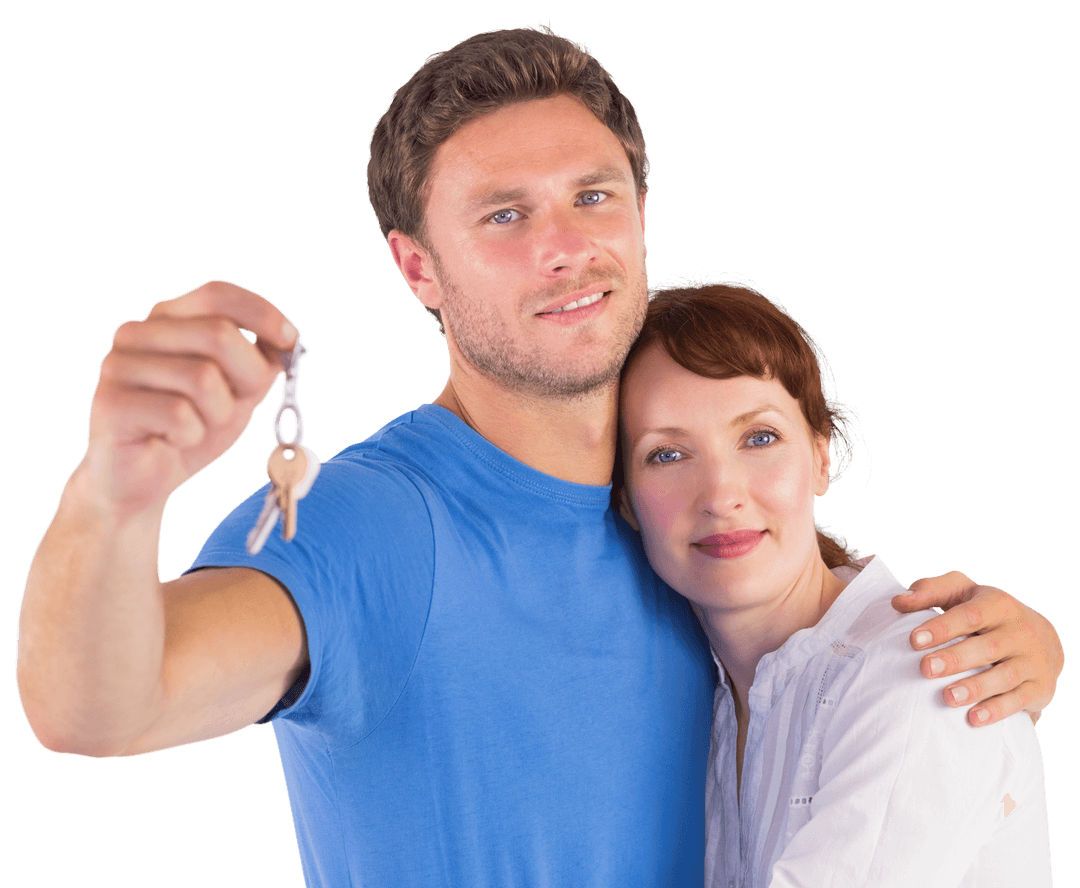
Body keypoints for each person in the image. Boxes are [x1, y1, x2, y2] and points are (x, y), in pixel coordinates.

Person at [16, 24, 1062, 888]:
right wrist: (115, 490)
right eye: (505, 214)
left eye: (592, 196)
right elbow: (96, 707)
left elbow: (818, 645)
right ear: (418, 269)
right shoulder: (370, 524)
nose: (565, 246)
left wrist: (1006, 651)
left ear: (641, 216)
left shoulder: (678, 528)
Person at [617, 277, 1053, 886]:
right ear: (627, 502)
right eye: (666, 454)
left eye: (759, 438)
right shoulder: (695, 699)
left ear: (821, 458)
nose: (720, 495)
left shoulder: (923, 679)